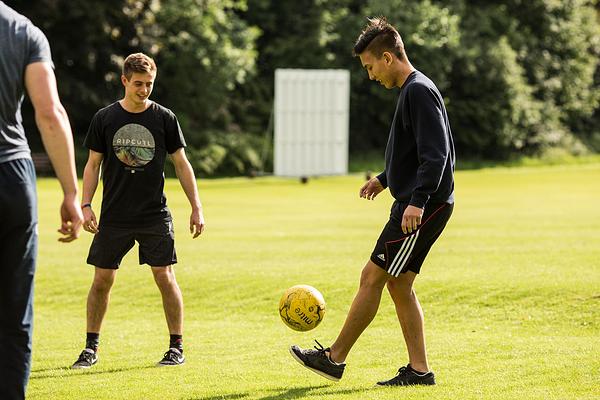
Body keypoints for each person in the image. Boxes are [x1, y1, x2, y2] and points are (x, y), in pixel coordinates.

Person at [289, 16, 455, 386]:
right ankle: (420, 371)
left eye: (370, 67)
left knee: (372, 276)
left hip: (422, 206)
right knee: (399, 285)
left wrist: (418, 201)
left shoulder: (418, 90)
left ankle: (333, 358)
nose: (370, 75)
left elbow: (436, 154)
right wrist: (385, 178)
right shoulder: (413, 90)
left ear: (387, 58)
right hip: (418, 201)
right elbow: (413, 152)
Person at [70, 52, 205, 369]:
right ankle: (90, 348)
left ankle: (176, 348)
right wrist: (86, 205)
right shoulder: (105, 118)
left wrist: (196, 207)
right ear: (124, 81)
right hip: (114, 215)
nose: (144, 90)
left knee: (165, 276)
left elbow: (182, 164)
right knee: (102, 280)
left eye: (149, 84)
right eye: (138, 84)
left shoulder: (164, 118)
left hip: (153, 214)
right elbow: (92, 165)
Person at [0, 2, 83, 399]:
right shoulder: (24, 32)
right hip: (12, 177)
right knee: (15, 308)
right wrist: (71, 192)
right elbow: (50, 113)